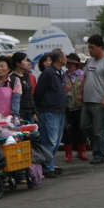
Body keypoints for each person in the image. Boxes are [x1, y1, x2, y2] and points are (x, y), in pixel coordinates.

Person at [78, 35, 104, 165]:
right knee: (84, 126)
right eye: (89, 47)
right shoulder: (90, 61)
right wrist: (80, 94)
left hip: (100, 101)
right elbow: (85, 78)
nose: (90, 50)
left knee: (98, 130)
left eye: (92, 47)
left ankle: (99, 154)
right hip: (88, 100)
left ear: (100, 47)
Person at [34, 48, 68, 178]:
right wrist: (37, 108)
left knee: (56, 140)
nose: (66, 59)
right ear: (60, 58)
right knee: (49, 140)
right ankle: (46, 167)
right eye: (65, 56)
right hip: (49, 110)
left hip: (59, 111)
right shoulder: (48, 73)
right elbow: (38, 92)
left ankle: (50, 164)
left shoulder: (59, 72)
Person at [63, 54, 88, 161]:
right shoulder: (64, 76)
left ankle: (81, 152)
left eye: (72, 64)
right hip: (68, 107)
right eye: (68, 63)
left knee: (81, 130)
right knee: (68, 131)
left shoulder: (82, 75)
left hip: (80, 107)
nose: (70, 66)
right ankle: (68, 154)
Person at [10, 52, 38, 124]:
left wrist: (34, 112)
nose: (27, 63)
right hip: (20, 112)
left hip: (29, 112)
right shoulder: (12, 78)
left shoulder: (26, 75)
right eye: (25, 61)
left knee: (33, 133)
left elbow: (30, 94)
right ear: (18, 63)